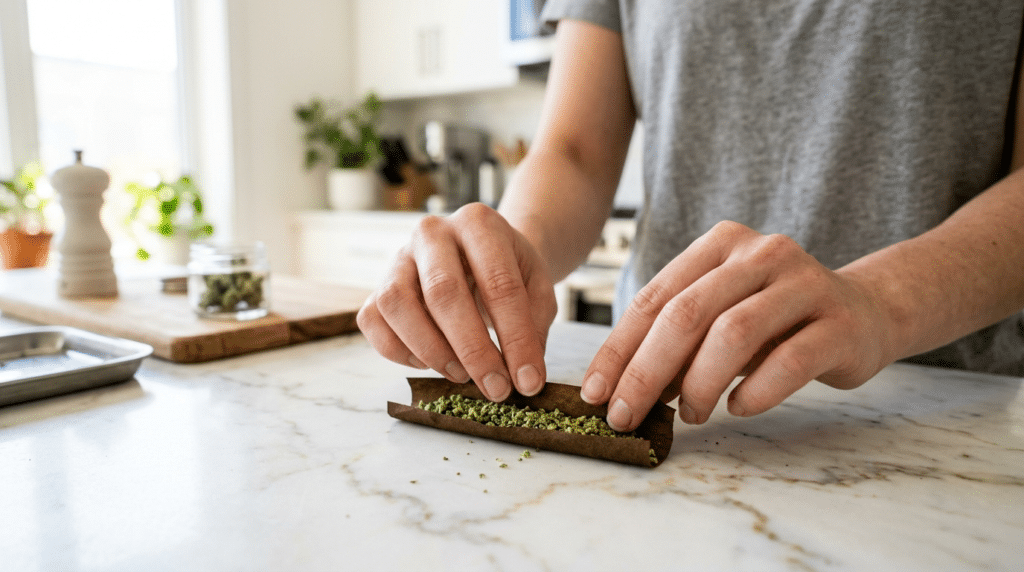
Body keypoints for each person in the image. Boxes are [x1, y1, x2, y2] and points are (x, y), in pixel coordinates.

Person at [358, 0, 1024, 433]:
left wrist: (879, 302)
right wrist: (508, 251)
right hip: (651, 386)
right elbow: (575, 151)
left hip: (938, 406)